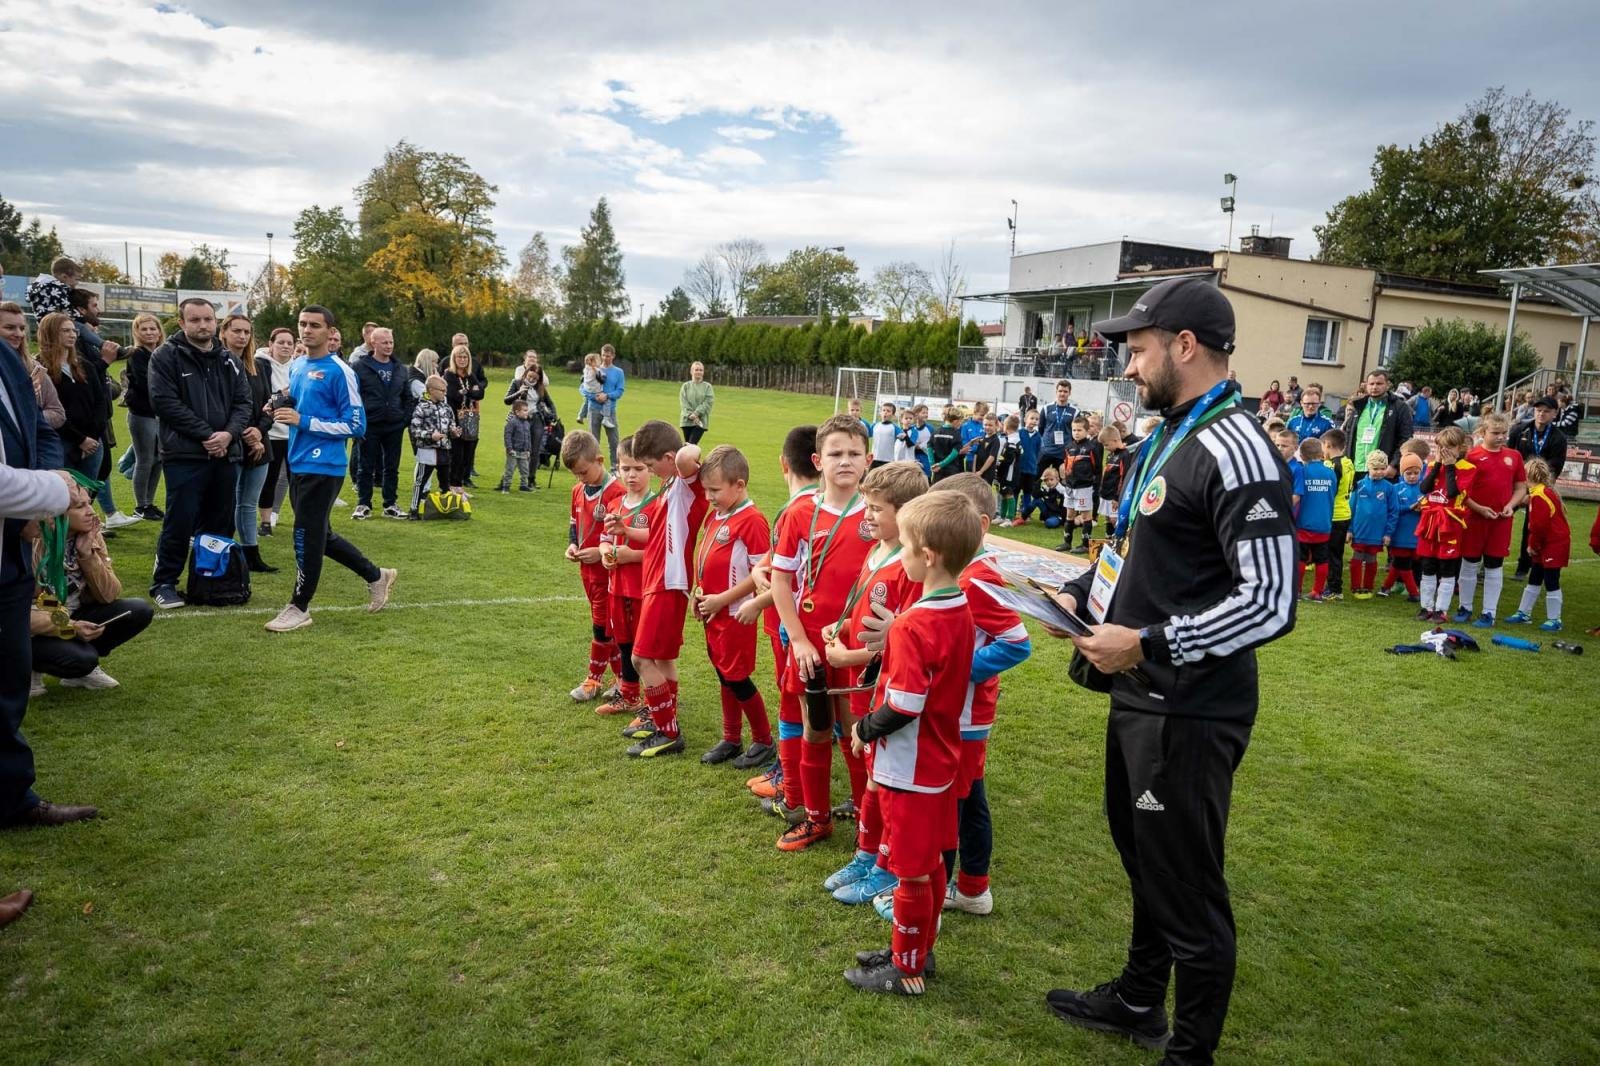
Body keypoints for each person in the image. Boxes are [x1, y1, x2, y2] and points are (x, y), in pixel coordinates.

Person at [1041, 276, 1296, 1064]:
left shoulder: (1238, 446)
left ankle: (1190, 1052)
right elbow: (1143, 550)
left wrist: (1147, 644)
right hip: (1141, 695)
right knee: (1144, 857)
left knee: (1187, 886)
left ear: (1185, 346)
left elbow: (1272, 602)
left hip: (1189, 706)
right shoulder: (1170, 435)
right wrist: (1079, 595)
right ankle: (1138, 999)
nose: (1129, 364)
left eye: (1139, 348)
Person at [841, 491, 980, 997]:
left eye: (904, 546)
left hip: (911, 766)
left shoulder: (914, 623)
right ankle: (916, 949)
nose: (898, 555)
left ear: (928, 557)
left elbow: (903, 705)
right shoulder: (957, 605)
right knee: (931, 863)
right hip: (940, 758)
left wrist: (862, 729)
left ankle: (907, 969)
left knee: (911, 871)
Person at [1, 328, 98, 829]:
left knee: (9, 686)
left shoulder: (9, 362)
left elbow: (41, 429)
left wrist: (42, 503)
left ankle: (14, 800)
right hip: (17, 526)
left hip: (12, 543)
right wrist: (53, 492)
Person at [924, 473, 1031, 919]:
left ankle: (957, 889)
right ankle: (971, 887)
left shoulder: (978, 578)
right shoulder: (966, 569)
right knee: (969, 798)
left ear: (980, 526)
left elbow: (1017, 643)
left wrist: (957, 673)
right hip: (962, 714)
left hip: (965, 716)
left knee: (956, 804)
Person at [821, 460, 926, 903]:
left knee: (882, 777)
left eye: (876, 509)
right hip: (862, 676)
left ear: (906, 513)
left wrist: (851, 654)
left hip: (883, 684)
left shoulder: (911, 566)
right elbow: (866, 610)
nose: (866, 516)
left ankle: (885, 865)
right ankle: (868, 853)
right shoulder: (878, 548)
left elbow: (906, 638)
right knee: (870, 771)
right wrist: (838, 627)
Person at [769, 414, 872, 849]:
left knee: (856, 731)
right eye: (835, 454)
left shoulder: (881, 513)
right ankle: (816, 818)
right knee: (814, 728)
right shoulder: (798, 514)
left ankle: (869, 819)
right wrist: (800, 639)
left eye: (853, 453)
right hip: (810, 642)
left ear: (868, 460)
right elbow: (779, 580)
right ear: (818, 459)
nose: (845, 461)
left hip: (857, 643)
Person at [264, 306, 397, 633]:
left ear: (330, 331)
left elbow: (356, 424)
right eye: (302, 324)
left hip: (324, 465)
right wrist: (278, 402)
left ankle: (299, 607)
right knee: (318, 535)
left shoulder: (341, 371)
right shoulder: (297, 365)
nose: (306, 330)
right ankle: (377, 575)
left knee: (305, 535)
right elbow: (298, 399)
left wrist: (304, 421)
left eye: (314, 326)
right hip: (297, 461)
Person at [146, 298, 252, 610]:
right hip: (184, 454)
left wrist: (228, 434)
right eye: (195, 320)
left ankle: (210, 581)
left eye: (208, 319)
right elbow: (164, 402)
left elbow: (243, 402)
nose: (203, 325)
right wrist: (207, 435)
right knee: (180, 521)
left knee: (219, 522)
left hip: (225, 454)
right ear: (181, 323)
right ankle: (164, 582)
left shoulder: (228, 359)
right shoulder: (166, 357)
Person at [615, 420, 705, 758]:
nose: (649, 471)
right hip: (657, 579)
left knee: (640, 658)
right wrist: (625, 530)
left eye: (651, 465)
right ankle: (662, 716)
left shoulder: (684, 482)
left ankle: (668, 732)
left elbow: (688, 455)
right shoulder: (669, 487)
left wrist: (689, 449)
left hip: (668, 582)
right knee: (663, 656)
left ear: (668, 458)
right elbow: (654, 536)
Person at [744, 426, 822, 818]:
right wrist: (762, 574)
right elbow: (776, 563)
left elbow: (792, 579)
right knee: (800, 705)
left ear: (783, 464)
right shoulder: (813, 507)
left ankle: (792, 783)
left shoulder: (799, 510)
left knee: (796, 704)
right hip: (795, 622)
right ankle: (791, 777)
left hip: (791, 626)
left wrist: (759, 598)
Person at [28, 477, 154, 692]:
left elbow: (109, 595)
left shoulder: (89, 535)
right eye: (80, 506)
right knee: (82, 659)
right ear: (55, 512)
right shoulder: (31, 539)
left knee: (138, 610)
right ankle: (27, 667)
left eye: (89, 503)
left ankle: (79, 671)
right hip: (34, 625)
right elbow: (19, 611)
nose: (92, 512)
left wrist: (88, 556)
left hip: (71, 616)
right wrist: (71, 628)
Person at [690, 445, 774, 766]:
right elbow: (709, 559)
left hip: (737, 614)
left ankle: (764, 740)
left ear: (739, 485)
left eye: (714, 490)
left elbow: (762, 575)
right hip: (714, 611)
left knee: (737, 677)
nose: (708, 497)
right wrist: (700, 595)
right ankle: (731, 737)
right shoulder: (717, 515)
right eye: (705, 490)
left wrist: (722, 600)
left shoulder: (752, 521)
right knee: (724, 675)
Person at [562, 429, 626, 703]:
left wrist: (600, 554)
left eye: (584, 472)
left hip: (610, 573)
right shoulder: (578, 491)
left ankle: (593, 680)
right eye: (576, 474)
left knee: (601, 627)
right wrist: (573, 546)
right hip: (587, 572)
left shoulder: (617, 492)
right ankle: (623, 679)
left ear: (600, 460)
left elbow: (621, 537)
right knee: (605, 626)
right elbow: (575, 525)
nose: (580, 478)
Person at [596, 436, 653, 722]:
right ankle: (629, 695)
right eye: (625, 468)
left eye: (638, 468)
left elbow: (661, 552)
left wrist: (632, 556)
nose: (631, 475)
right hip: (617, 586)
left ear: (651, 470)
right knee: (625, 642)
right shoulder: (616, 503)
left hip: (644, 588)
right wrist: (606, 552)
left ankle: (652, 699)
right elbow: (605, 540)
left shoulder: (657, 505)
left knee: (645, 647)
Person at [1453, 411, 1526, 627]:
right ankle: (1465, 607)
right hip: (1475, 519)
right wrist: (1479, 508)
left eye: (1504, 433)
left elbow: (1521, 487)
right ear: (1483, 432)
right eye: (1496, 433)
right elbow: (1461, 492)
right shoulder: (1471, 457)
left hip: (1501, 521)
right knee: (1469, 563)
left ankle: (1489, 613)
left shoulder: (1514, 457)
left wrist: (1511, 505)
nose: (1501, 437)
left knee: (1495, 565)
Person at [220, 314, 277, 573]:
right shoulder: (216, 364)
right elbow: (221, 408)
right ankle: (223, 553)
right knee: (227, 502)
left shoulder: (260, 366)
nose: (242, 337)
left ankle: (251, 553)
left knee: (249, 502)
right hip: (231, 441)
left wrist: (259, 431)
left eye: (246, 332)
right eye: (237, 331)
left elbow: (268, 405)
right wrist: (245, 433)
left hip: (260, 442)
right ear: (224, 333)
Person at [353, 327, 414, 519]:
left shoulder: (400, 368)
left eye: (391, 342)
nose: (389, 346)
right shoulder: (360, 367)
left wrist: (405, 419)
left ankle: (390, 504)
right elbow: (354, 396)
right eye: (384, 342)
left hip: (394, 425)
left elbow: (407, 396)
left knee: (392, 467)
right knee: (366, 466)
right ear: (373, 343)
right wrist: (360, 420)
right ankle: (363, 504)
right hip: (370, 424)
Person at [1414, 427, 1473, 623]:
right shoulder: (1432, 464)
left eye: (1450, 447)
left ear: (1460, 448)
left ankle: (1441, 610)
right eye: (1441, 447)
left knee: (1447, 567)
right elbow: (1424, 488)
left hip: (1450, 521)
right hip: (1430, 520)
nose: (1444, 451)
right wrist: (1438, 464)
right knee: (1428, 565)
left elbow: (1452, 492)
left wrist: (1449, 466)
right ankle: (1426, 607)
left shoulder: (1468, 468)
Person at [1503, 457, 1570, 631]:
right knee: (1535, 577)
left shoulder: (1539, 495)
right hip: (1548, 543)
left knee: (1551, 579)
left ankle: (1555, 619)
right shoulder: (1542, 492)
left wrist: (1533, 545)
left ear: (1527, 476)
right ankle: (1524, 613)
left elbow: (1539, 526)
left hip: (1553, 544)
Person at [1509, 396, 1568, 579]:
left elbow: (1555, 466)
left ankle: (1524, 567)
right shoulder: (1520, 430)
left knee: (1533, 526)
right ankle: (1488, 561)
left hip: (1539, 488)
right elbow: (1510, 455)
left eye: (1546, 411)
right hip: (1516, 485)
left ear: (1554, 414)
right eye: (1538, 410)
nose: (1541, 414)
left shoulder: (1558, 437)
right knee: (1501, 517)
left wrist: (1534, 491)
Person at [122, 312, 165, 520]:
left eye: (153, 328)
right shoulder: (136, 354)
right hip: (142, 414)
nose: (149, 332)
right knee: (145, 459)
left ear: (159, 332)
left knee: (158, 459)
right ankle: (141, 505)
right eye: (144, 329)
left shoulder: (161, 353)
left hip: (159, 415)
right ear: (137, 332)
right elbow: (147, 382)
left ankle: (149, 502)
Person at [257, 327, 297, 535]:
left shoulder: (298, 367)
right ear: (270, 344)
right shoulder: (260, 365)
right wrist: (283, 394)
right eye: (280, 342)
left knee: (298, 481)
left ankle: (304, 522)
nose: (285, 346)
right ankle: (265, 522)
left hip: (294, 434)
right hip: (270, 433)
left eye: (289, 343)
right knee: (269, 480)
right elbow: (264, 399)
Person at [1342, 369, 1413, 475]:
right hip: (1356, 468)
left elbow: (1405, 438)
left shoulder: (1400, 407)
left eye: (1379, 383)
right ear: (1366, 386)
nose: (1374, 387)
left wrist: (1394, 464)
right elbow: (1348, 434)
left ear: (1387, 385)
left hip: (1382, 470)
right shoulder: (1359, 405)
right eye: (1371, 384)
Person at [1347, 450, 1397, 599]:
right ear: (1368, 468)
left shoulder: (1389, 488)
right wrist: (1349, 529)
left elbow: (1394, 512)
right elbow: (1351, 508)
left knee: (1371, 558)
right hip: (1359, 531)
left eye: (1383, 469)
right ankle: (1356, 587)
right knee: (1357, 557)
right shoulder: (1359, 485)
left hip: (1377, 533)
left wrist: (1388, 533)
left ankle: (1368, 587)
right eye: (1375, 469)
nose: (1379, 472)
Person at [1292, 437, 1336, 601]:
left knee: (1300, 558)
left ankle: (1296, 591)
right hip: (1324, 522)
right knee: (1322, 559)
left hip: (1304, 522)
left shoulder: (1302, 471)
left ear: (1302, 456)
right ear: (1321, 453)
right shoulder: (1330, 472)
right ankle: (1317, 592)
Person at [407, 374, 455, 517]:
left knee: (445, 482)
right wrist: (430, 435)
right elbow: (415, 430)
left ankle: (446, 508)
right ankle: (413, 510)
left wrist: (454, 432)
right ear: (431, 390)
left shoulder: (446, 408)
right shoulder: (421, 407)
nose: (445, 393)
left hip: (444, 449)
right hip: (427, 451)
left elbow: (451, 425)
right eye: (442, 390)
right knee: (420, 482)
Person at [1379, 451, 1425, 600]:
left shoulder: (1425, 489)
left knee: (1400, 563)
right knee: (1402, 562)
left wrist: (1424, 509)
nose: (1412, 476)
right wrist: (1409, 507)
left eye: (1416, 473)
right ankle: (1414, 593)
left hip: (1417, 534)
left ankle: (1385, 588)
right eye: (1408, 473)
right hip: (1399, 534)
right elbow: (1392, 510)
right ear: (1402, 472)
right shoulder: (1396, 489)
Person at [442, 345, 484, 494]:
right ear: (454, 358)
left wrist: (467, 392)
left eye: (465, 357)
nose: (462, 360)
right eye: (459, 357)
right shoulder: (449, 375)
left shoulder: (470, 376)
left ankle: (459, 485)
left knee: (467, 453)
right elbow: (454, 395)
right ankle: (451, 485)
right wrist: (470, 392)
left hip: (469, 419)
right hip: (454, 418)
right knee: (456, 453)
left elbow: (481, 393)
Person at [1320, 428, 1355, 600]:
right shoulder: (1349, 462)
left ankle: (1334, 589)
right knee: (1336, 553)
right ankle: (1335, 587)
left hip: (1333, 515)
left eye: (1323, 447)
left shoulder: (1332, 465)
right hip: (1344, 513)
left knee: (1330, 554)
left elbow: (1329, 491)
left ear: (1327, 445)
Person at [583, 344, 625, 468]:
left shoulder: (618, 372)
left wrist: (607, 396)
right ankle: (594, 466)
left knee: (614, 440)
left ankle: (614, 466)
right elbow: (583, 388)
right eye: (603, 355)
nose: (605, 358)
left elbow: (620, 391)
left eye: (608, 356)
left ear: (613, 356)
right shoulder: (592, 369)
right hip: (594, 408)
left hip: (610, 410)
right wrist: (595, 397)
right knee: (593, 440)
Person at [1060, 416, 1097, 551]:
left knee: (1086, 516)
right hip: (1070, 486)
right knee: (1069, 514)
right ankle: (1067, 542)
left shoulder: (1091, 447)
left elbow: (1097, 468)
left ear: (1086, 431)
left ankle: (1085, 545)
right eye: (1074, 430)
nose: (1076, 432)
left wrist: (1095, 485)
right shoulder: (1069, 447)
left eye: (1079, 430)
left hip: (1084, 487)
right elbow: (1066, 465)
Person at [1096, 424, 1127, 539]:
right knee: (1108, 518)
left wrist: (1117, 497)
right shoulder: (1111, 455)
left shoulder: (1124, 455)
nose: (1105, 448)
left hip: (1114, 496)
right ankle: (1108, 540)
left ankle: (1118, 542)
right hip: (1106, 493)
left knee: (1115, 520)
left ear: (1115, 440)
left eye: (1106, 445)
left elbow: (1123, 477)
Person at [499, 400, 535, 493]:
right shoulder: (512, 423)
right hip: (513, 451)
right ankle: (506, 486)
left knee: (525, 470)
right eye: (525, 410)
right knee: (509, 470)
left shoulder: (527, 424)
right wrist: (509, 448)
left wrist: (528, 450)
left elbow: (528, 437)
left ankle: (523, 485)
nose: (527, 412)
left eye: (527, 410)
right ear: (517, 412)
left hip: (524, 452)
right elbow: (507, 436)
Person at [678, 361, 714, 445]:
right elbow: (684, 403)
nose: (699, 372)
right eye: (696, 369)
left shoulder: (707, 387)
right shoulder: (685, 386)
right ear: (691, 371)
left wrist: (697, 413)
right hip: (686, 421)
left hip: (700, 422)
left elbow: (708, 402)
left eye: (701, 370)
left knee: (691, 444)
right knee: (688, 446)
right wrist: (691, 415)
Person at [1016, 409, 1041, 522]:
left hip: (1031, 470)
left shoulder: (1038, 436)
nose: (1034, 421)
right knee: (1016, 490)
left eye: (1036, 419)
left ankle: (1026, 514)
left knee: (1027, 492)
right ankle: (1013, 512)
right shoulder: (1020, 433)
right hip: (1019, 468)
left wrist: (1034, 463)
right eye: (1032, 418)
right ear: (1025, 419)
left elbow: (1038, 452)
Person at [928, 406, 962, 483]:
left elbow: (929, 447)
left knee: (936, 493)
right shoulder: (956, 434)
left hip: (937, 471)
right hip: (951, 471)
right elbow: (955, 453)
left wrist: (932, 464)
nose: (961, 423)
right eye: (960, 421)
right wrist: (941, 465)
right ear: (956, 421)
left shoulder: (936, 432)